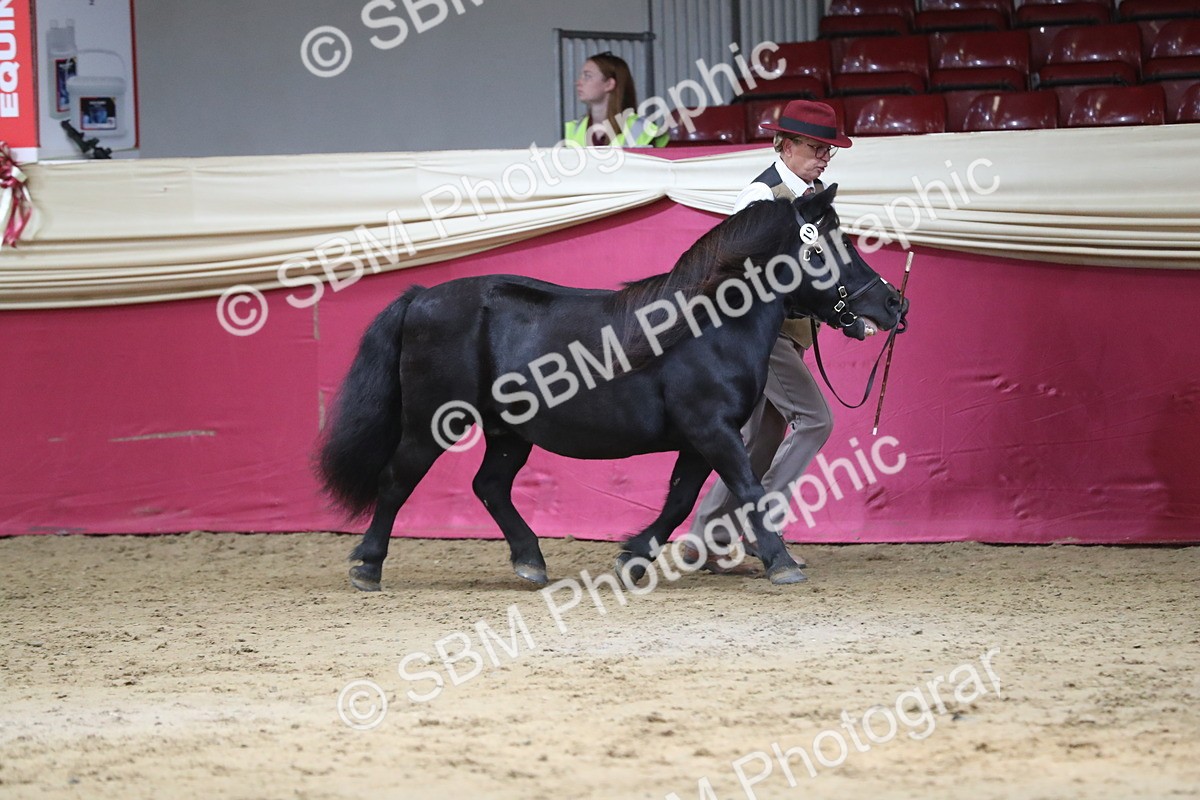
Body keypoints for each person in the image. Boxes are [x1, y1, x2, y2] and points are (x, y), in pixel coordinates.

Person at [685, 99, 858, 575]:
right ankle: (766, 528)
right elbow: (744, 277)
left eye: (829, 149)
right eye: (815, 146)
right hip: (763, 335)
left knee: (759, 438)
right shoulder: (760, 199)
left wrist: (842, 310)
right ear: (782, 144)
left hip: (788, 331)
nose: (823, 156)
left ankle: (708, 539)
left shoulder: (814, 193)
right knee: (814, 419)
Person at [565, 52, 668, 148]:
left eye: (587, 76)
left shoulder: (641, 129)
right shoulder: (574, 129)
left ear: (609, 84)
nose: (578, 82)